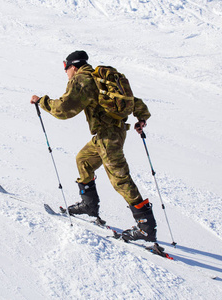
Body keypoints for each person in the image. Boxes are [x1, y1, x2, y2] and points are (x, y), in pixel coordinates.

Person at [30, 50, 157, 243]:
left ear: (73, 66)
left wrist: (42, 101)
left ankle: (146, 227)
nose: (65, 72)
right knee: (84, 160)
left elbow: (64, 110)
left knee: (119, 179)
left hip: (108, 136)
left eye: (66, 67)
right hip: (109, 134)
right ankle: (89, 205)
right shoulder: (99, 77)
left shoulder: (82, 80)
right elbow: (132, 100)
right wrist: (142, 117)